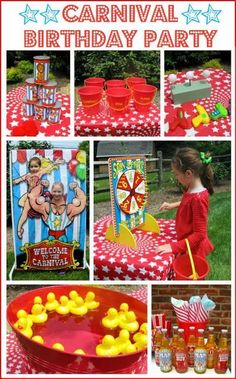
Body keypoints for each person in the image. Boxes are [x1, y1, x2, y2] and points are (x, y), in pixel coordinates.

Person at [157, 148, 214, 258]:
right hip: (186, 242)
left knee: (192, 275)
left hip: (193, 250)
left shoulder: (198, 198)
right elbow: (188, 202)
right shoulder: (191, 188)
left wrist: (173, 247)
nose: (176, 177)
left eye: (177, 174)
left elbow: (200, 234)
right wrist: (173, 205)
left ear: (188, 173)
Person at [13, 156, 64, 239]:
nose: (33, 168)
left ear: (39, 167)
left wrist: (55, 163)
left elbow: (48, 167)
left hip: (39, 198)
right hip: (30, 198)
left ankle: (55, 226)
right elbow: (18, 180)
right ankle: (19, 229)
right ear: (29, 167)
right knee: (24, 213)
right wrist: (14, 181)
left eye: (36, 166)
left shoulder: (39, 173)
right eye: (31, 166)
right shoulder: (27, 175)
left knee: (46, 211)